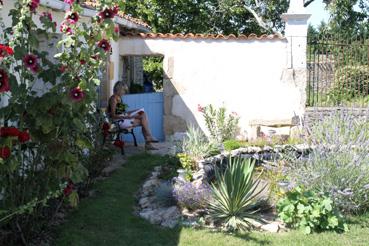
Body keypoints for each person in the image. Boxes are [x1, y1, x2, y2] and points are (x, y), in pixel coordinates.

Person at [107, 81, 158, 150]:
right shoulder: (113, 99)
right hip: (119, 122)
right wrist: (128, 117)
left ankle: (149, 140)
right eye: (124, 90)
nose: (124, 92)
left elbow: (123, 113)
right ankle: (149, 139)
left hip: (124, 119)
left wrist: (134, 111)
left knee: (143, 115)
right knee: (143, 120)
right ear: (119, 89)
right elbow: (113, 115)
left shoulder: (119, 99)